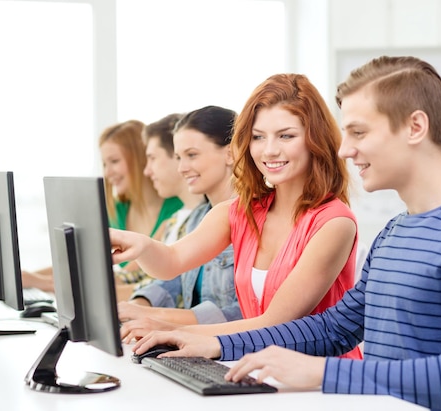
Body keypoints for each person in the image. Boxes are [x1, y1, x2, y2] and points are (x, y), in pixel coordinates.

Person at [129, 57, 441, 411]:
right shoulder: (397, 231)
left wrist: (321, 372)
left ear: (415, 127)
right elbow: (333, 328)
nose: (344, 149)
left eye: (359, 133)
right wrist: (214, 345)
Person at [112, 73, 362, 360]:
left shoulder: (334, 223)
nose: (269, 150)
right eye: (258, 137)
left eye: (286, 135)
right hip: (256, 367)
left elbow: (275, 324)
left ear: (314, 139)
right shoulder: (238, 212)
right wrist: (139, 244)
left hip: (318, 381)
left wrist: (168, 328)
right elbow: (170, 262)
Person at [0, 120, 183, 293]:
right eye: (104, 164)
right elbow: (78, 264)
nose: (108, 172)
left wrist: (35, 281)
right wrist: (19, 276)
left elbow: (123, 278)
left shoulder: (177, 213)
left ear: (140, 158)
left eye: (115, 161)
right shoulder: (117, 211)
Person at [118, 105, 242, 326]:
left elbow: (244, 313)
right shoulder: (197, 217)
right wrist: (138, 305)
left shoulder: (256, 220)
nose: (182, 168)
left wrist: (159, 318)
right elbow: (172, 279)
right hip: (193, 348)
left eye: (192, 155)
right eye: (178, 157)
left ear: (231, 154)